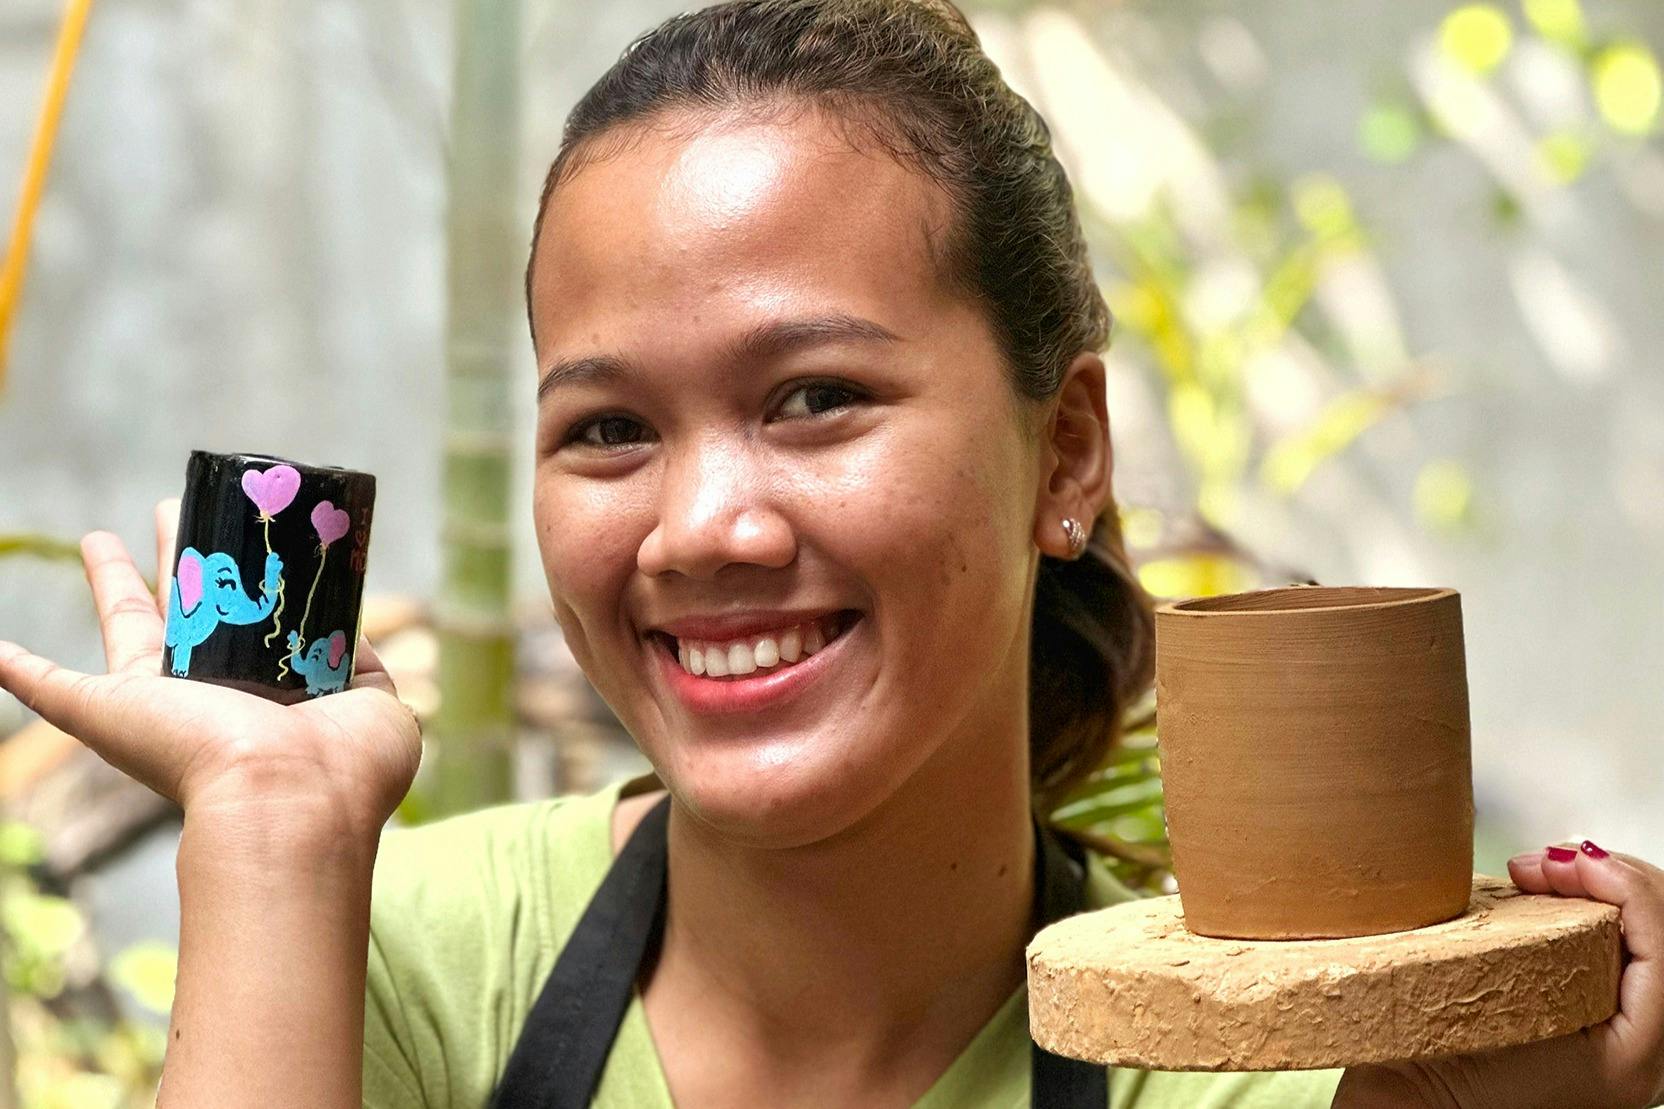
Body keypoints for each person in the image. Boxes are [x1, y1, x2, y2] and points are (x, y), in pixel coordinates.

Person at [1, 0, 1661, 1105]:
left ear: (1062, 449)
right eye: (608, 427)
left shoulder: (1267, 1067)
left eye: (813, 396)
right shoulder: (401, 957)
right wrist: (277, 831)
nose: (707, 526)